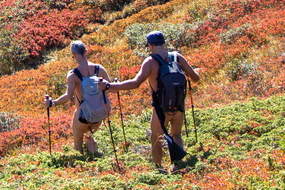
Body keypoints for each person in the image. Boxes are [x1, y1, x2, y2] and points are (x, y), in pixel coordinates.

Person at [103, 30, 200, 170]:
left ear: (150, 45)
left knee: (156, 138)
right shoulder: (177, 57)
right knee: (176, 134)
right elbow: (196, 78)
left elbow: (135, 83)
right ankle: (179, 166)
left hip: (161, 108)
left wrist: (109, 86)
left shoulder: (150, 62)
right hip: (179, 105)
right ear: (164, 43)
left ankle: (158, 169)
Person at [44, 40, 111, 155]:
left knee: (77, 144)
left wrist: (52, 103)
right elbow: (111, 88)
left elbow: (68, 96)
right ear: (86, 51)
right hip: (100, 114)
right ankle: (96, 159)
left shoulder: (73, 74)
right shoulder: (99, 69)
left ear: (74, 54)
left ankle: (81, 162)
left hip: (82, 116)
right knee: (89, 136)